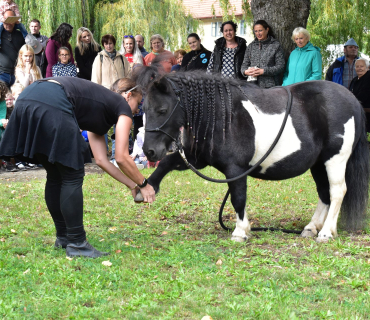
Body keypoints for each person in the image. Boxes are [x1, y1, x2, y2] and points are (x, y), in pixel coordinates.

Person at [0, 77, 156, 257]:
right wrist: (144, 184)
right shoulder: (122, 106)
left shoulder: (100, 108)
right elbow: (121, 157)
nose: (137, 109)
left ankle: (64, 238)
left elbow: (102, 160)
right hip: (52, 100)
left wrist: (132, 185)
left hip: (29, 96)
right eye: (138, 102)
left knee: (56, 174)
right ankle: (76, 243)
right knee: (72, 173)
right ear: (128, 96)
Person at [241, 20, 285, 88]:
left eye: (260, 30)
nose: (258, 33)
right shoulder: (251, 46)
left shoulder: (275, 45)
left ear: (267, 30)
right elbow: (244, 65)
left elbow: (280, 66)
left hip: (271, 86)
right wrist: (245, 72)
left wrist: (263, 71)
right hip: (253, 86)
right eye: (256, 31)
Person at [0, 10, 25, 87]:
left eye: (11, 20)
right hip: (2, 74)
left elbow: (26, 52)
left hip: (17, 74)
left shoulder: (20, 34)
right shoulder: (0, 34)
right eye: (6, 20)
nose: (8, 23)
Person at [349, 58, 370, 133]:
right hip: (358, 112)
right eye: (357, 66)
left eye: (362, 66)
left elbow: (364, 94)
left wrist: (351, 103)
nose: (359, 68)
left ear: (368, 67)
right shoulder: (354, 80)